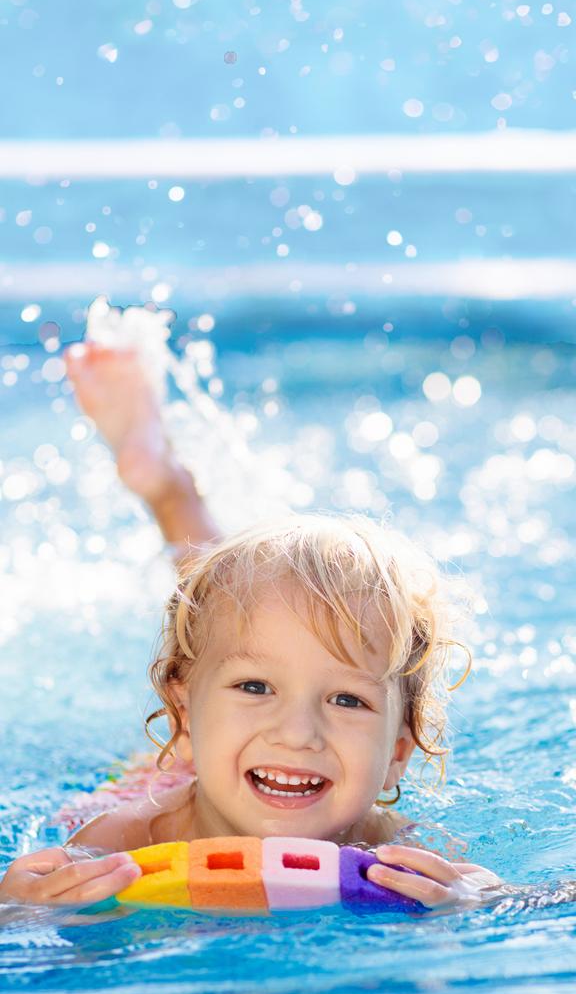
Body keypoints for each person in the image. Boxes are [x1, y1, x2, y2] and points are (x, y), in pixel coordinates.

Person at [0, 336, 501, 912]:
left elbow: (515, 898)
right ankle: (166, 484)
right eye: (256, 688)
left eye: (347, 700)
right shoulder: (120, 840)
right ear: (181, 716)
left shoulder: (398, 849)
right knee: (218, 609)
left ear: (398, 751)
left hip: (228, 748)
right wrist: (21, 906)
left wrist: (475, 896)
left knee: (238, 626)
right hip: (166, 775)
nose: (297, 733)